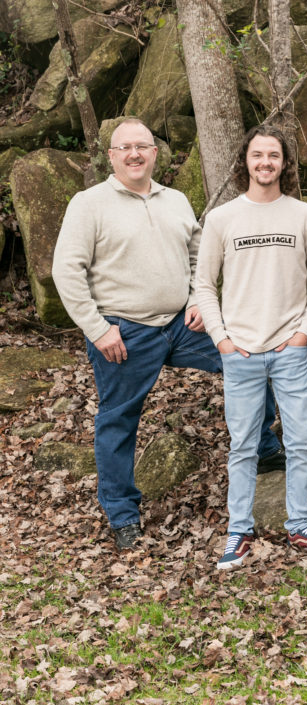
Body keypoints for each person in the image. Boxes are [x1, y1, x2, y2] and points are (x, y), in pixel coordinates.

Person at [52, 117, 283, 551]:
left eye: (143, 146)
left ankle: (265, 446)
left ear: (156, 154)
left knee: (249, 355)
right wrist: (97, 329)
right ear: (112, 156)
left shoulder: (175, 200)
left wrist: (198, 300)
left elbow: (198, 257)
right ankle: (122, 514)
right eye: (125, 148)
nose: (135, 154)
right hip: (123, 330)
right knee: (118, 420)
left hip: (181, 322)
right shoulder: (89, 204)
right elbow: (66, 271)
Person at [195, 123, 307, 570]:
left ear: (284, 163)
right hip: (239, 351)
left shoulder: (303, 216)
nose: (265, 163)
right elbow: (203, 284)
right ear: (246, 161)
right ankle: (238, 531)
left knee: (300, 443)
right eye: (257, 155)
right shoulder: (222, 219)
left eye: (273, 156)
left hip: (289, 350)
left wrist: (303, 334)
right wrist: (221, 339)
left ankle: (300, 524)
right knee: (242, 446)